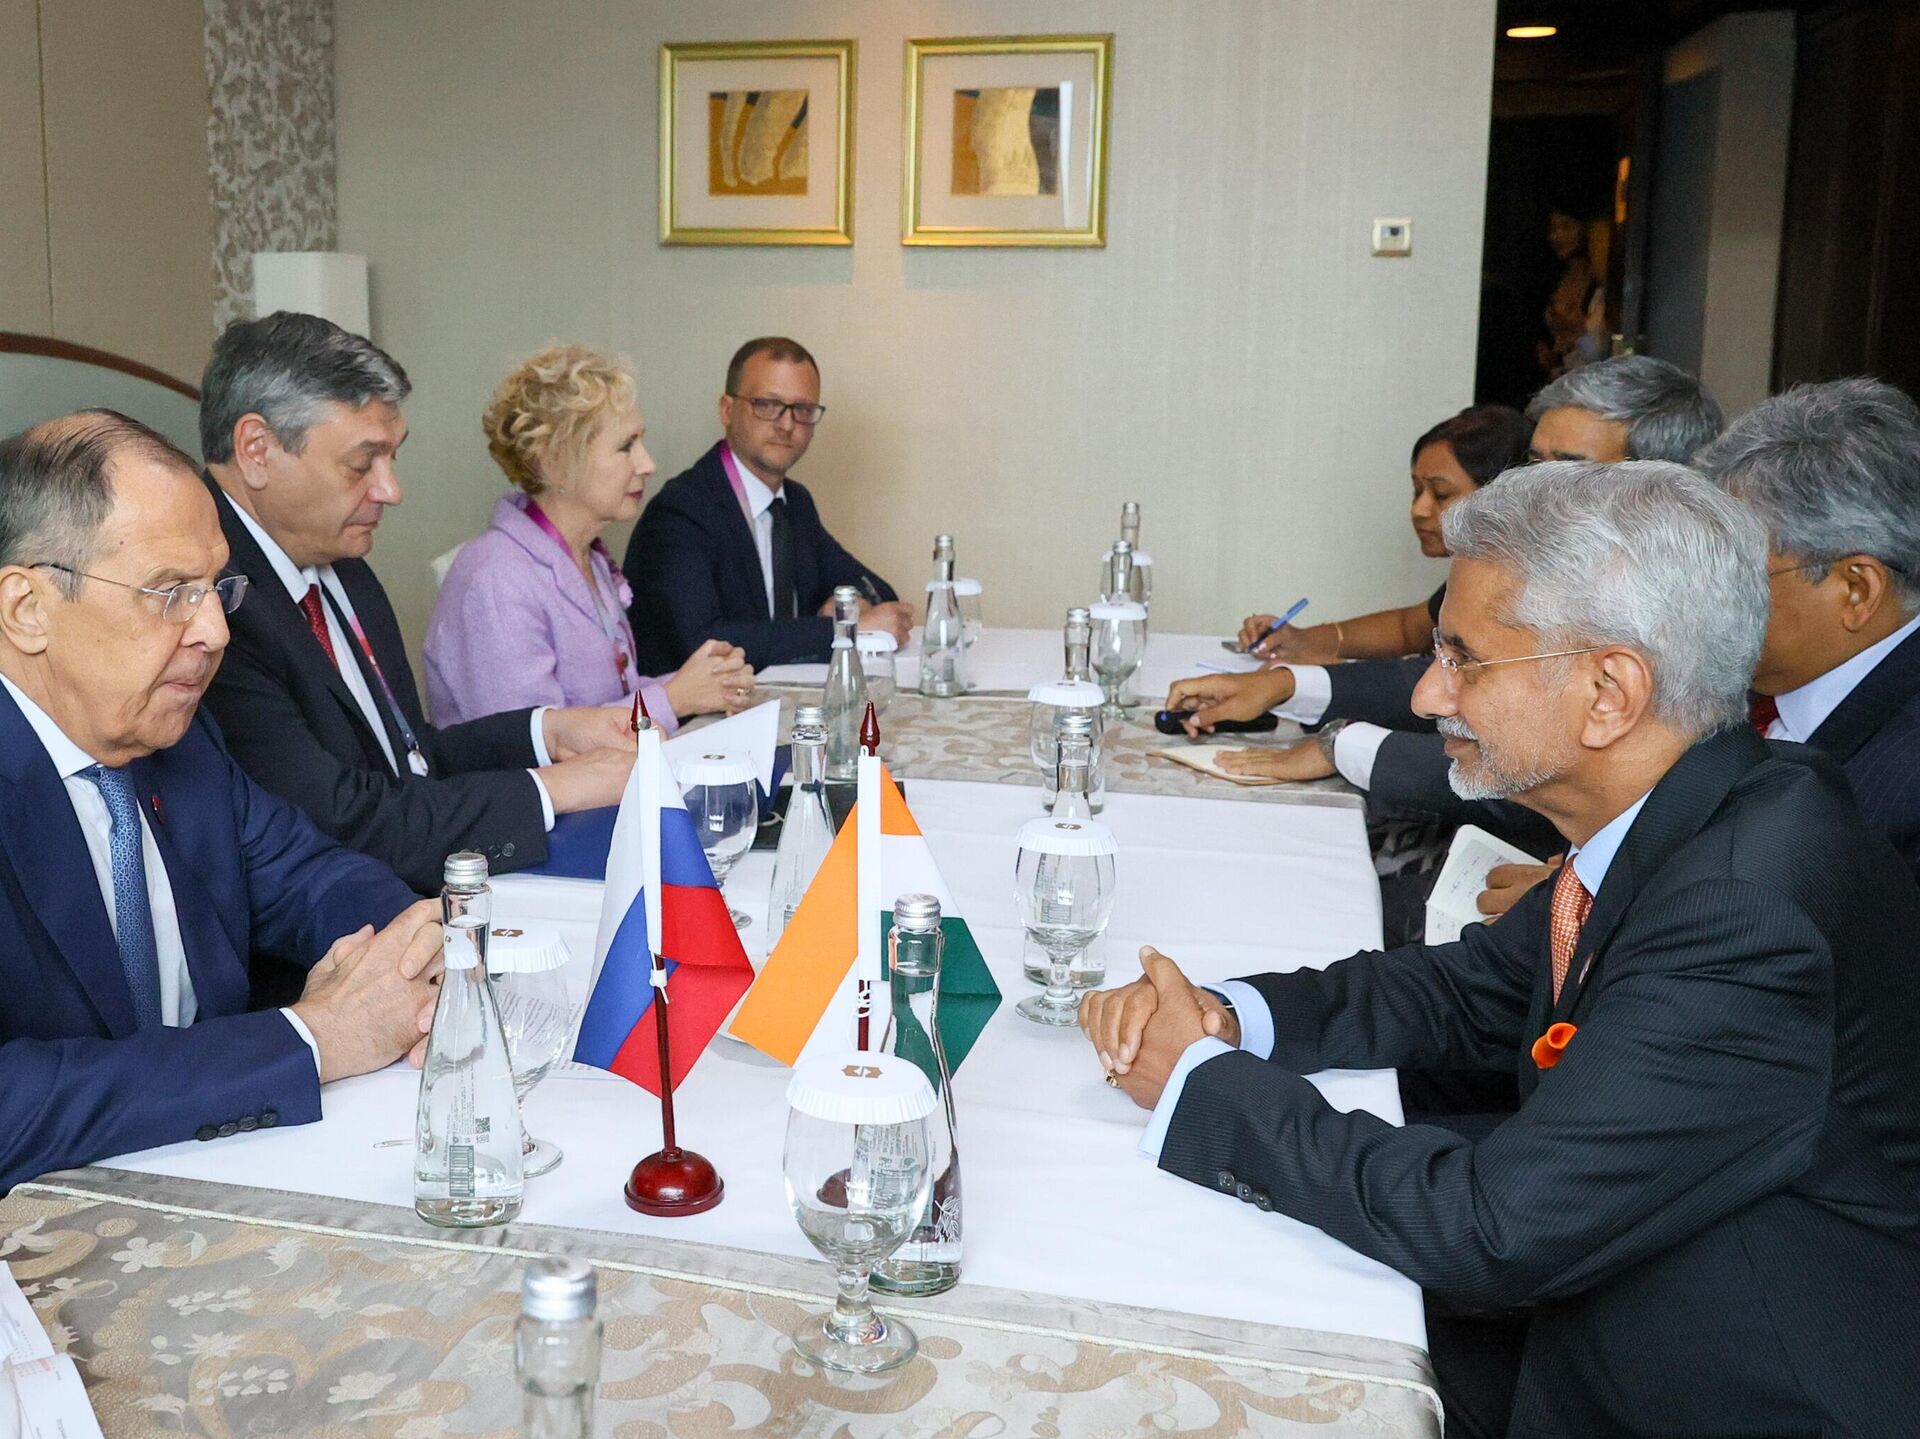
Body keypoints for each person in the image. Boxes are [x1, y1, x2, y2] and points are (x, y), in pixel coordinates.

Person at [1085, 461, 1920, 1437]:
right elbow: (1471, 987)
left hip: (1711, 1389)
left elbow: (1494, 1227)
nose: (1429, 692)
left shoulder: (1745, 910)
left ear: (1609, 692)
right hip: (1619, 1298)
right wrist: (1234, 1015)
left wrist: (1198, 1079)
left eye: (1465, 658)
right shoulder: (1691, 804)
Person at [0, 411, 443, 1194]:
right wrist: (313, 1036)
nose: (215, 631)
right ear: (26, 608)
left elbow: (316, 876)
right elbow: (14, 1103)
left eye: (216, 589)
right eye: (171, 592)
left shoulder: (182, 740)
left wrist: (411, 956)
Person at [198, 313, 637, 894]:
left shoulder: (342, 565)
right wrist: (554, 787)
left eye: (392, 459)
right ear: (257, 450)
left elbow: (407, 760)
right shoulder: (207, 600)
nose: (391, 490)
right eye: (361, 464)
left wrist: (546, 732)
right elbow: (338, 819)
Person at [1476, 377, 1920, 915]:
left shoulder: (1904, 781)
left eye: (1737, 573)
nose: (1698, 593)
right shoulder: (1753, 677)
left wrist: (1596, 909)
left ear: (1856, 590)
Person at [424, 343, 754, 728]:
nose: (647, 464)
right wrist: (675, 698)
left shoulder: (589, 559)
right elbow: (533, 742)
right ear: (554, 463)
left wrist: (705, 682)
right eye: (626, 446)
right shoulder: (496, 580)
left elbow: (607, 700)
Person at [622, 336, 911, 671]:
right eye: (767, 405)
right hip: (695, 704)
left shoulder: (795, 503)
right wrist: (841, 629)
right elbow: (705, 643)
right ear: (727, 410)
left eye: (803, 410)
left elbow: (877, 592)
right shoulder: (681, 511)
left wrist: (852, 606)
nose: (787, 425)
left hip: (779, 694)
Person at [1232, 404, 1530, 666]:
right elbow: (1407, 630)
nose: (1419, 509)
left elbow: (1433, 680)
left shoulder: (1515, 585)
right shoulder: (1473, 569)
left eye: (1441, 494)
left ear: (1500, 497)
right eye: (1417, 491)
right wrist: (1300, 640)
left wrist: (1311, 675)